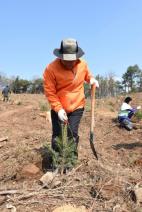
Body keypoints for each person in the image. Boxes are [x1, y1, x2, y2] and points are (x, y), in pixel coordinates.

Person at [43, 38, 99, 155]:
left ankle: (70, 161)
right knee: (58, 136)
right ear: (61, 56)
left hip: (77, 106)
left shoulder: (82, 64)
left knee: (72, 134)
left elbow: (87, 74)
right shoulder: (51, 69)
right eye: (66, 60)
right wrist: (58, 109)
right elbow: (50, 92)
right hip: (59, 107)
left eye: (72, 60)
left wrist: (91, 79)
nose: (70, 63)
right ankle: (56, 162)